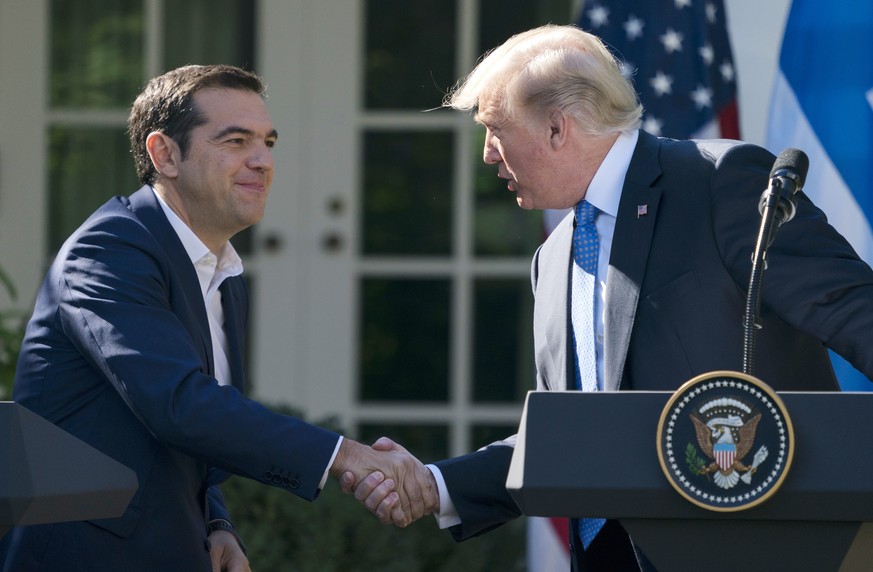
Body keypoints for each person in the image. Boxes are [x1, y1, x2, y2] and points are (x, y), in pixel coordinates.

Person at [343, 24, 873, 571]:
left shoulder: (720, 183)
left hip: (754, 545)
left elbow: (855, 311)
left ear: (555, 127)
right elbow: (573, 437)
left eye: (494, 129)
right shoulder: (552, 261)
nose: (487, 155)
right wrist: (436, 485)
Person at [0, 64, 433, 572]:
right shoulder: (109, 251)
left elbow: (185, 429)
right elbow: (179, 404)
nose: (262, 160)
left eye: (268, 142)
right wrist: (347, 457)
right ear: (165, 155)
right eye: (236, 141)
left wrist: (215, 522)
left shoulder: (219, 270)